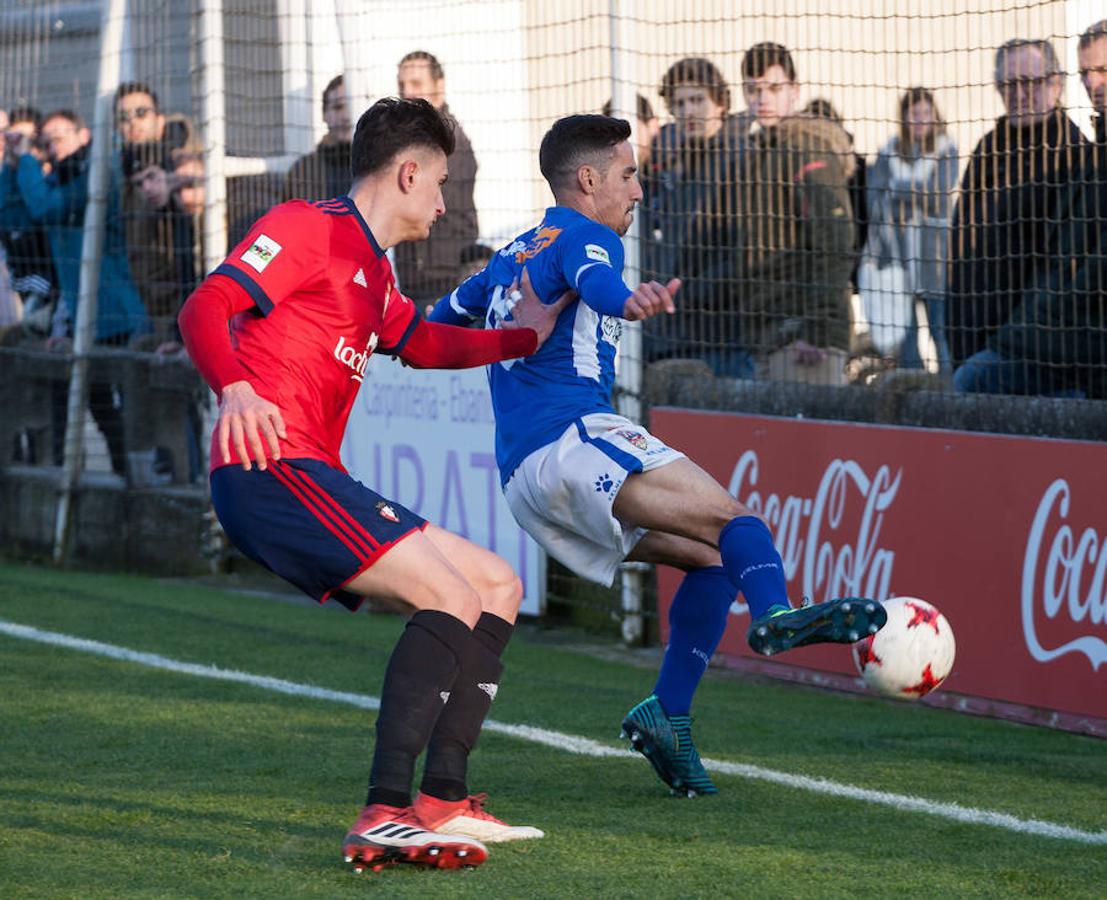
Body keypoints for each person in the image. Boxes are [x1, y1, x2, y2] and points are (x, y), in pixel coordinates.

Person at [428, 114, 886, 797]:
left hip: (525, 480)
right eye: (628, 173)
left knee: (709, 563)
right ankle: (775, 616)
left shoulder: (508, 254)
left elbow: (434, 323)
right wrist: (630, 298)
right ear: (588, 180)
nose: (638, 190)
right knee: (736, 523)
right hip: (571, 440)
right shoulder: (585, 237)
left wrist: (354, 333)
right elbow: (595, 279)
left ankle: (667, 715)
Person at [178, 97, 572, 873]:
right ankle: (385, 811)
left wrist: (525, 336)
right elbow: (206, 305)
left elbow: (420, 342)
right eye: (440, 184)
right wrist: (234, 388)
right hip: (271, 468)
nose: (442, 201)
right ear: (408, 170)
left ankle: (441, 800)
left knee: (494, 583)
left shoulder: (370, 267)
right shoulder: (306, 226)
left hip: (306, 471)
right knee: (448, 596)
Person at [958, 22, 1107, 397]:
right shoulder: (988, 151)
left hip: (1058, 349)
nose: (1094, 84)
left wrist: (1044, 322)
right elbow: (963, 245)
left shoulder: (1072, 153)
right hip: (1001, 332)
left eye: (1032, 82)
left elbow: (1074, 269)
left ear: (1054, 84)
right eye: (1010, 84)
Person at [7, 108, 148, 476]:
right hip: (78, 316)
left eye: (60, 135)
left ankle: (141, 479)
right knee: (94, 403)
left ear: (84, 134)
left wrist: (24, 160)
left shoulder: (95, 176)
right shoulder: (54, 180)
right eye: (46, 139)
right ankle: (100, 478)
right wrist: (11, 163)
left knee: (130, 404)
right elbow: (10, 213)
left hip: (114, 312)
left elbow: (45, 207)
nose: (53, 145)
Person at [737, 42, 857, 385]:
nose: (763, 98)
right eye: (753, 89)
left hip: (805, 342)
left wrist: (819, 330)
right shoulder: (763, 151)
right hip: (771, 334)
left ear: (795, 91)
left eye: (774, 88)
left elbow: (834, 241)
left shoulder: (808, 149)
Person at [641, 57, 755, 377]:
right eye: (679, 103)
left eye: (697, 100)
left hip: (724, 338)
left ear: (720, 102)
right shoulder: (675, 166)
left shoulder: (742, 158)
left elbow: (743, 251)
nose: (687, 111)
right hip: (671, 336)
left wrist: (684, 293)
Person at [861, 87, 958, 370]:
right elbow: (875, 197)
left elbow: (940, 195)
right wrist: (916, 194)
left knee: (941, 332)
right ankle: (913, 390)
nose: (920, 120)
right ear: (904, 117)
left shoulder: (946, 149)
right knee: (906, 334)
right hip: (898, 260)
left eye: (926, 113)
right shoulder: (889, 151)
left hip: (935, 259)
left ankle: (949, 391)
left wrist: (899, 190)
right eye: (914, 114)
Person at [395, 50, 478, 300]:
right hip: (414, 278)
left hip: (447, 278)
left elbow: (420, 200)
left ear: (439, 87)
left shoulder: (449, 140)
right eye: (402, 85)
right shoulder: (413, 137)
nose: (407, 93)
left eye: (417, 84)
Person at [282, 74, 353, 202]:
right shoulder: (303, 172)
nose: (346, 116)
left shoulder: (377, 167)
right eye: (338, 107)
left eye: (352, 107)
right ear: (324, 115)